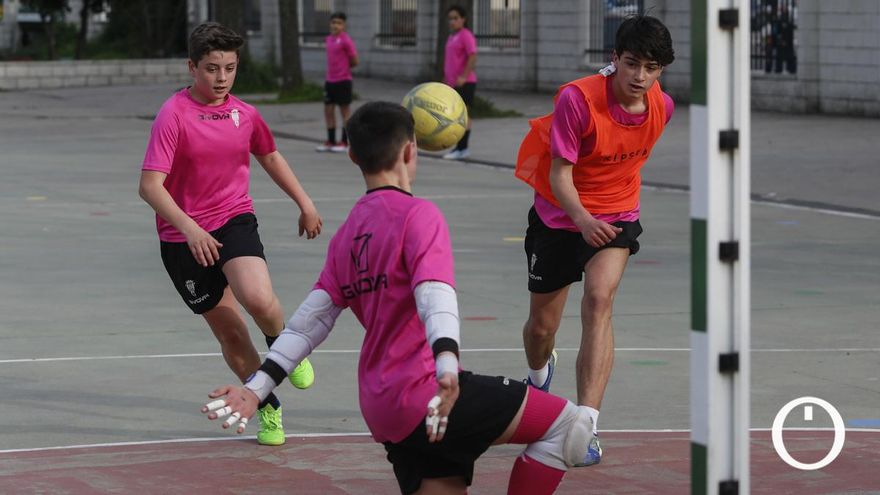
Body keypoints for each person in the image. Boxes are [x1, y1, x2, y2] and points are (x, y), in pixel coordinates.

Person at [202, 102, 594, 495]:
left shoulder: (347, 235)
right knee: (569, 427)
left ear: (353, 156)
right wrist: (446, 367)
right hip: (425, 390)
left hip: (381, 406)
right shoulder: (418, 215)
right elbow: (434, 297)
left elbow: (307, 325)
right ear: (410, 150)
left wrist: (256, 389)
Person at [139, 22, 321, 447]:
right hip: (183, 238)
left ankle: (283, 345)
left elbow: (270, 156)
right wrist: (191, 229)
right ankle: (268, 407)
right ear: (192, 67)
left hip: (233, 218)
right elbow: (150, 186)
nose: (221, 78)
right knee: (233, 334)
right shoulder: (173, 114)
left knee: (256, 297)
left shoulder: (245, 114)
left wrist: (305, 203)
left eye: (230, 68)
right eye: (211, 68)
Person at [514, 14, 675, 466]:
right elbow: (559, 174)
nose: (640, 76)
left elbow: (627, 163)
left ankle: (586, 426)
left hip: (617, 216)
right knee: (541, 328)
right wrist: (583, 219)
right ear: (614, 58)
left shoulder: (663, 106)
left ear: (661, 70)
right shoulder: (578, 100)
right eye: (632, 63)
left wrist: (602, 217)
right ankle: (538, 377)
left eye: (651, 68)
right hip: (560, 217)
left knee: (599, 301)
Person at [316, 11, 359, 153]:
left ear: (344, 26)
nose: (335, 25)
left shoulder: (346, 40)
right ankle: (331, 141)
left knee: (344, 112)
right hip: (330, 81)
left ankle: (344, 142)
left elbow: (355, 61)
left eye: (339, 23)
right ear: (330, 24)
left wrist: (344, 69)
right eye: (333, 22)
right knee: (328, 111)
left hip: (343, 81)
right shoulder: (328, 39)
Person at [441, 5, 477, 160]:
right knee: (455, 116)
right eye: (450, 18)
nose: (452, 21)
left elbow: (472, 56)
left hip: (465, 83)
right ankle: (459, 148)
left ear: (463, 19)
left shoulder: (465, 35)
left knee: (463, 116)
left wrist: (464, 76)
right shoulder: (452, 36)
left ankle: (462, 148)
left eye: (455, 18)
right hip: (452, 83)